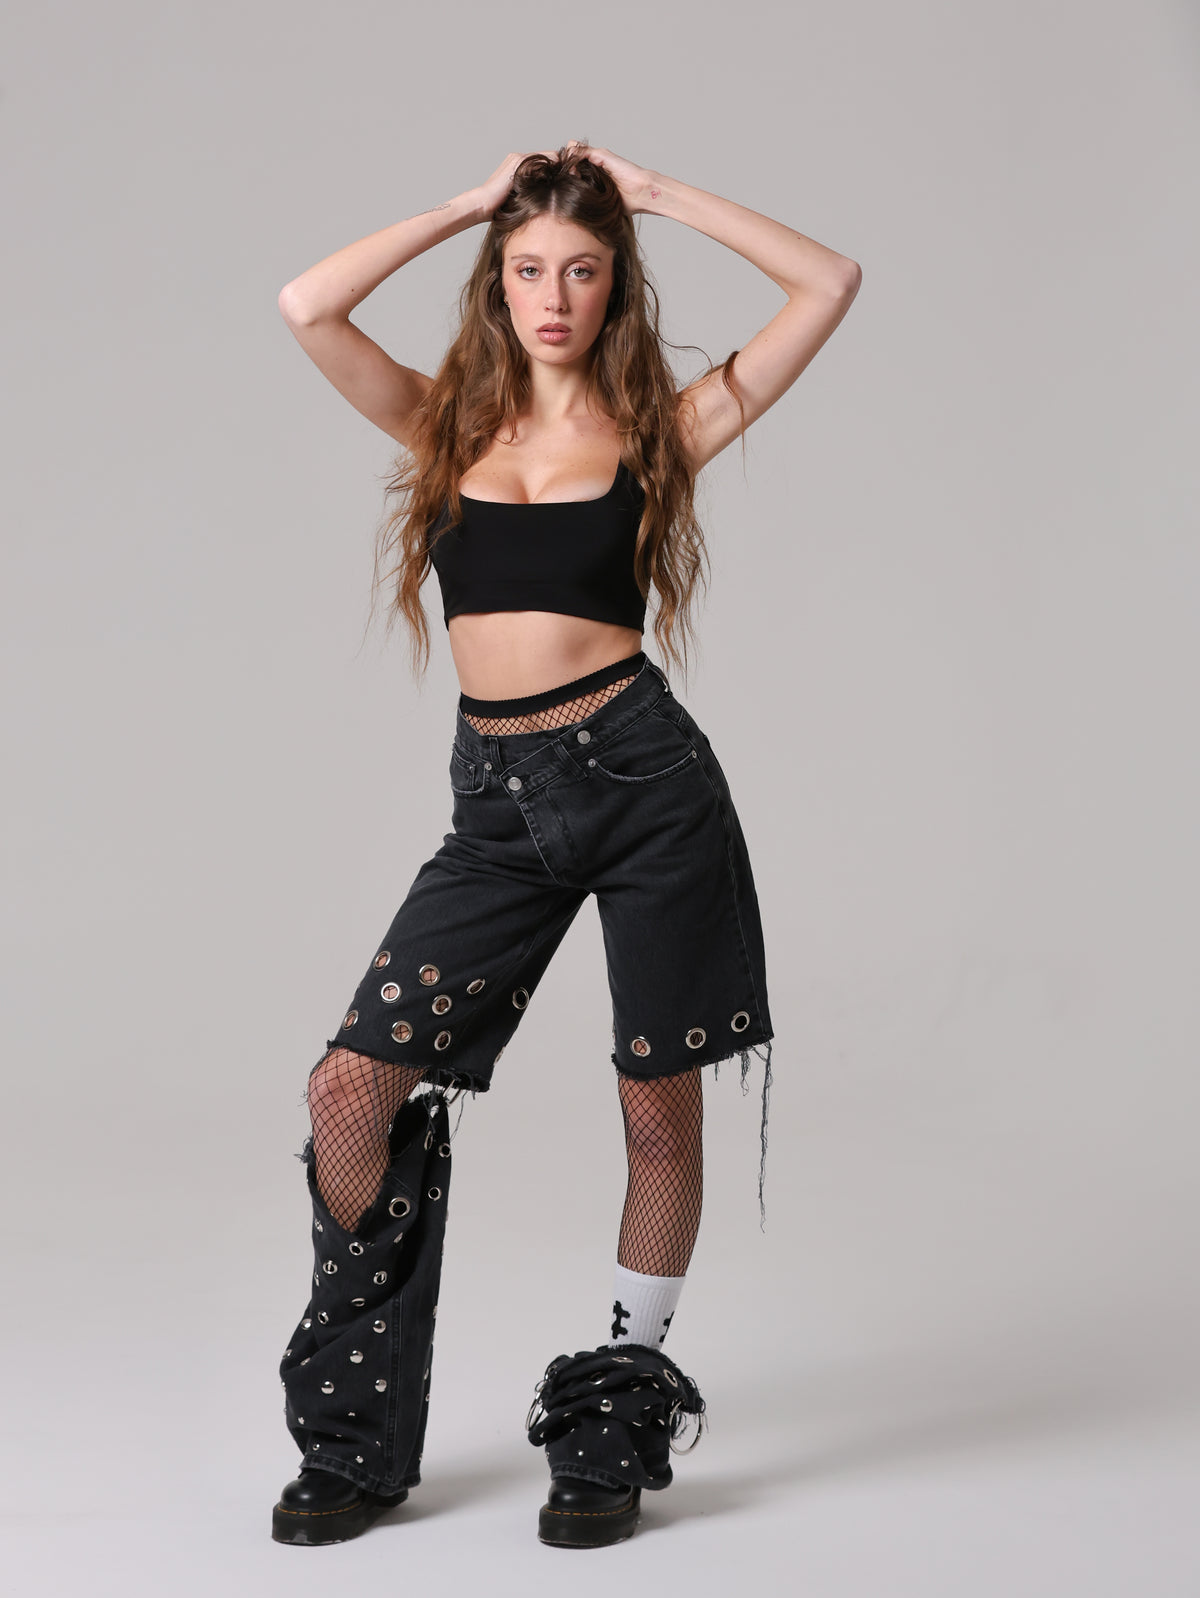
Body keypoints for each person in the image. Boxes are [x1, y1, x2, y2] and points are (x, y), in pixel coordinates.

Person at [269, 140, 861, 1549]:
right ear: (498, 283)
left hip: (647, 784)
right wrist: (469, 205)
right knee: (351, 1090)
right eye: (529, 270)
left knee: (658, 1114)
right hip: (496, 810)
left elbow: (829, 282)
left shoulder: (663, 428)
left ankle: (615, 1403)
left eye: (582, 272)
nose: (553, 297)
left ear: (615, 287)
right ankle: (358, 1419)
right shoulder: (441, 427)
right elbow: (308, 305)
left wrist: (656, 194)